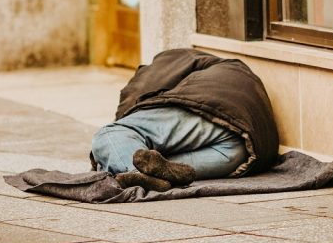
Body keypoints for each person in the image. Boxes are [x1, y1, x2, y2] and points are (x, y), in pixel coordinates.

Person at [91, 48, 279, 192]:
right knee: (157, 166)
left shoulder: (165, 62)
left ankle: (133, 172)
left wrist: (117, 136)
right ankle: (148, 175)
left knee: (110, 134)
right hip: (243, 150)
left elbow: (131, 104)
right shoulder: (225, 69)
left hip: (213, 110)